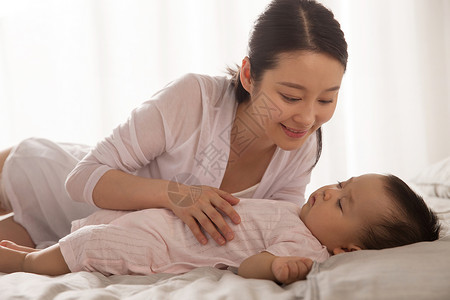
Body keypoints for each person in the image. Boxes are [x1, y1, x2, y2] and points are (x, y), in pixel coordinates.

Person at [0, 0, 348, 249]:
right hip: (44, 177)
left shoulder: (303, 145)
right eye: (289, 97)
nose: (306, 118)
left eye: (325, 100)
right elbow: (81, 177)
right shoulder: (195, 99)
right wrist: (176, 196)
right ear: (248, 75)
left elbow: (275, 226)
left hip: (80, 232)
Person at [0, 174, 441, 284]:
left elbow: (250, 267)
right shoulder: (295, 211)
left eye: (342, 202)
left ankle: (26, 262)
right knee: (96, 230)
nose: (328, 191)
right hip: (161, 219)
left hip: (163, 245)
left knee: (92, 244)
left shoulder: (305, 246)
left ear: (347, 249)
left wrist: (277, 267)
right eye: (341, 183)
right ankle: (33, 253)